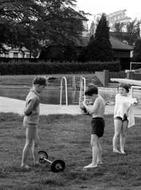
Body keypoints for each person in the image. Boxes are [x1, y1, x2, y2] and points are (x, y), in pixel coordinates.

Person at [21, 76, 47, 169]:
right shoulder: (34, 97)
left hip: (32, 122)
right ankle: (23, 164)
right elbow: (27, 111)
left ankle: (36, 161)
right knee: (28, 143)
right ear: (38, 85)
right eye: (43, 87)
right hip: (31, 123)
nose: (43, 89)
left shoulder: (32, 92)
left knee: (36, 142)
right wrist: (32, 112)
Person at [81, 85, 105, 169]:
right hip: (99, 120)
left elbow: (91, 111)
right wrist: (90, 104)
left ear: (94, 94)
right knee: (97, 142)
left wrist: (84, 104)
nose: (90, 98)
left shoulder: (98, 99)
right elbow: (95, 110)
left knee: (93, 143)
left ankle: (94, 163)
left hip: (97, 121)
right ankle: (99, 160)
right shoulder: (100, 98)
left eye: (90, 96)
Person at [113, 83, 137, 154]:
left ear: (126, 90)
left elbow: (133, 103)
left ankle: (122, 149)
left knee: (123, 134)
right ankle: (114, 148)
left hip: (125, 117)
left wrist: (134, 101)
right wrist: (132, 100)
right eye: (119, 89)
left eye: (122, 90)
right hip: (118, 116)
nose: (120, 91)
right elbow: (125, 101)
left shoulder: (129, 97)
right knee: (117, 133)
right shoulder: (118, 96)